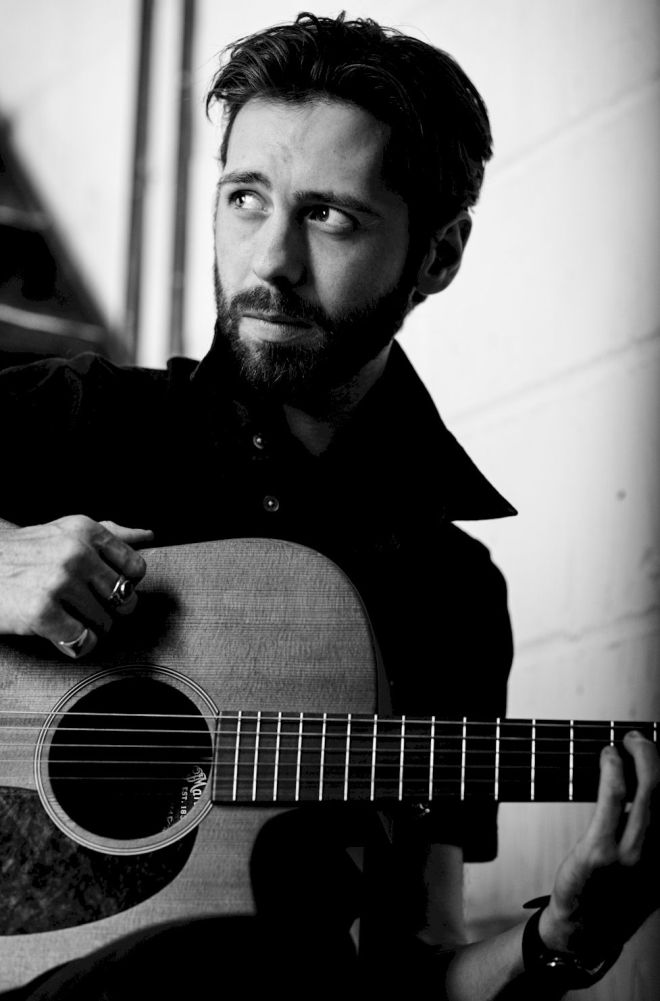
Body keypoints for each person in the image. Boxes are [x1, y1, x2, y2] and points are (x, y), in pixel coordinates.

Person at [0, 11, 657, 999]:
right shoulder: (81, 421)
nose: (269, 261)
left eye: (330, 216)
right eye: (245, 197)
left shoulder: (447, 592)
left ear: (437, 255)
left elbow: (416, 974)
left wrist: (563, 935)